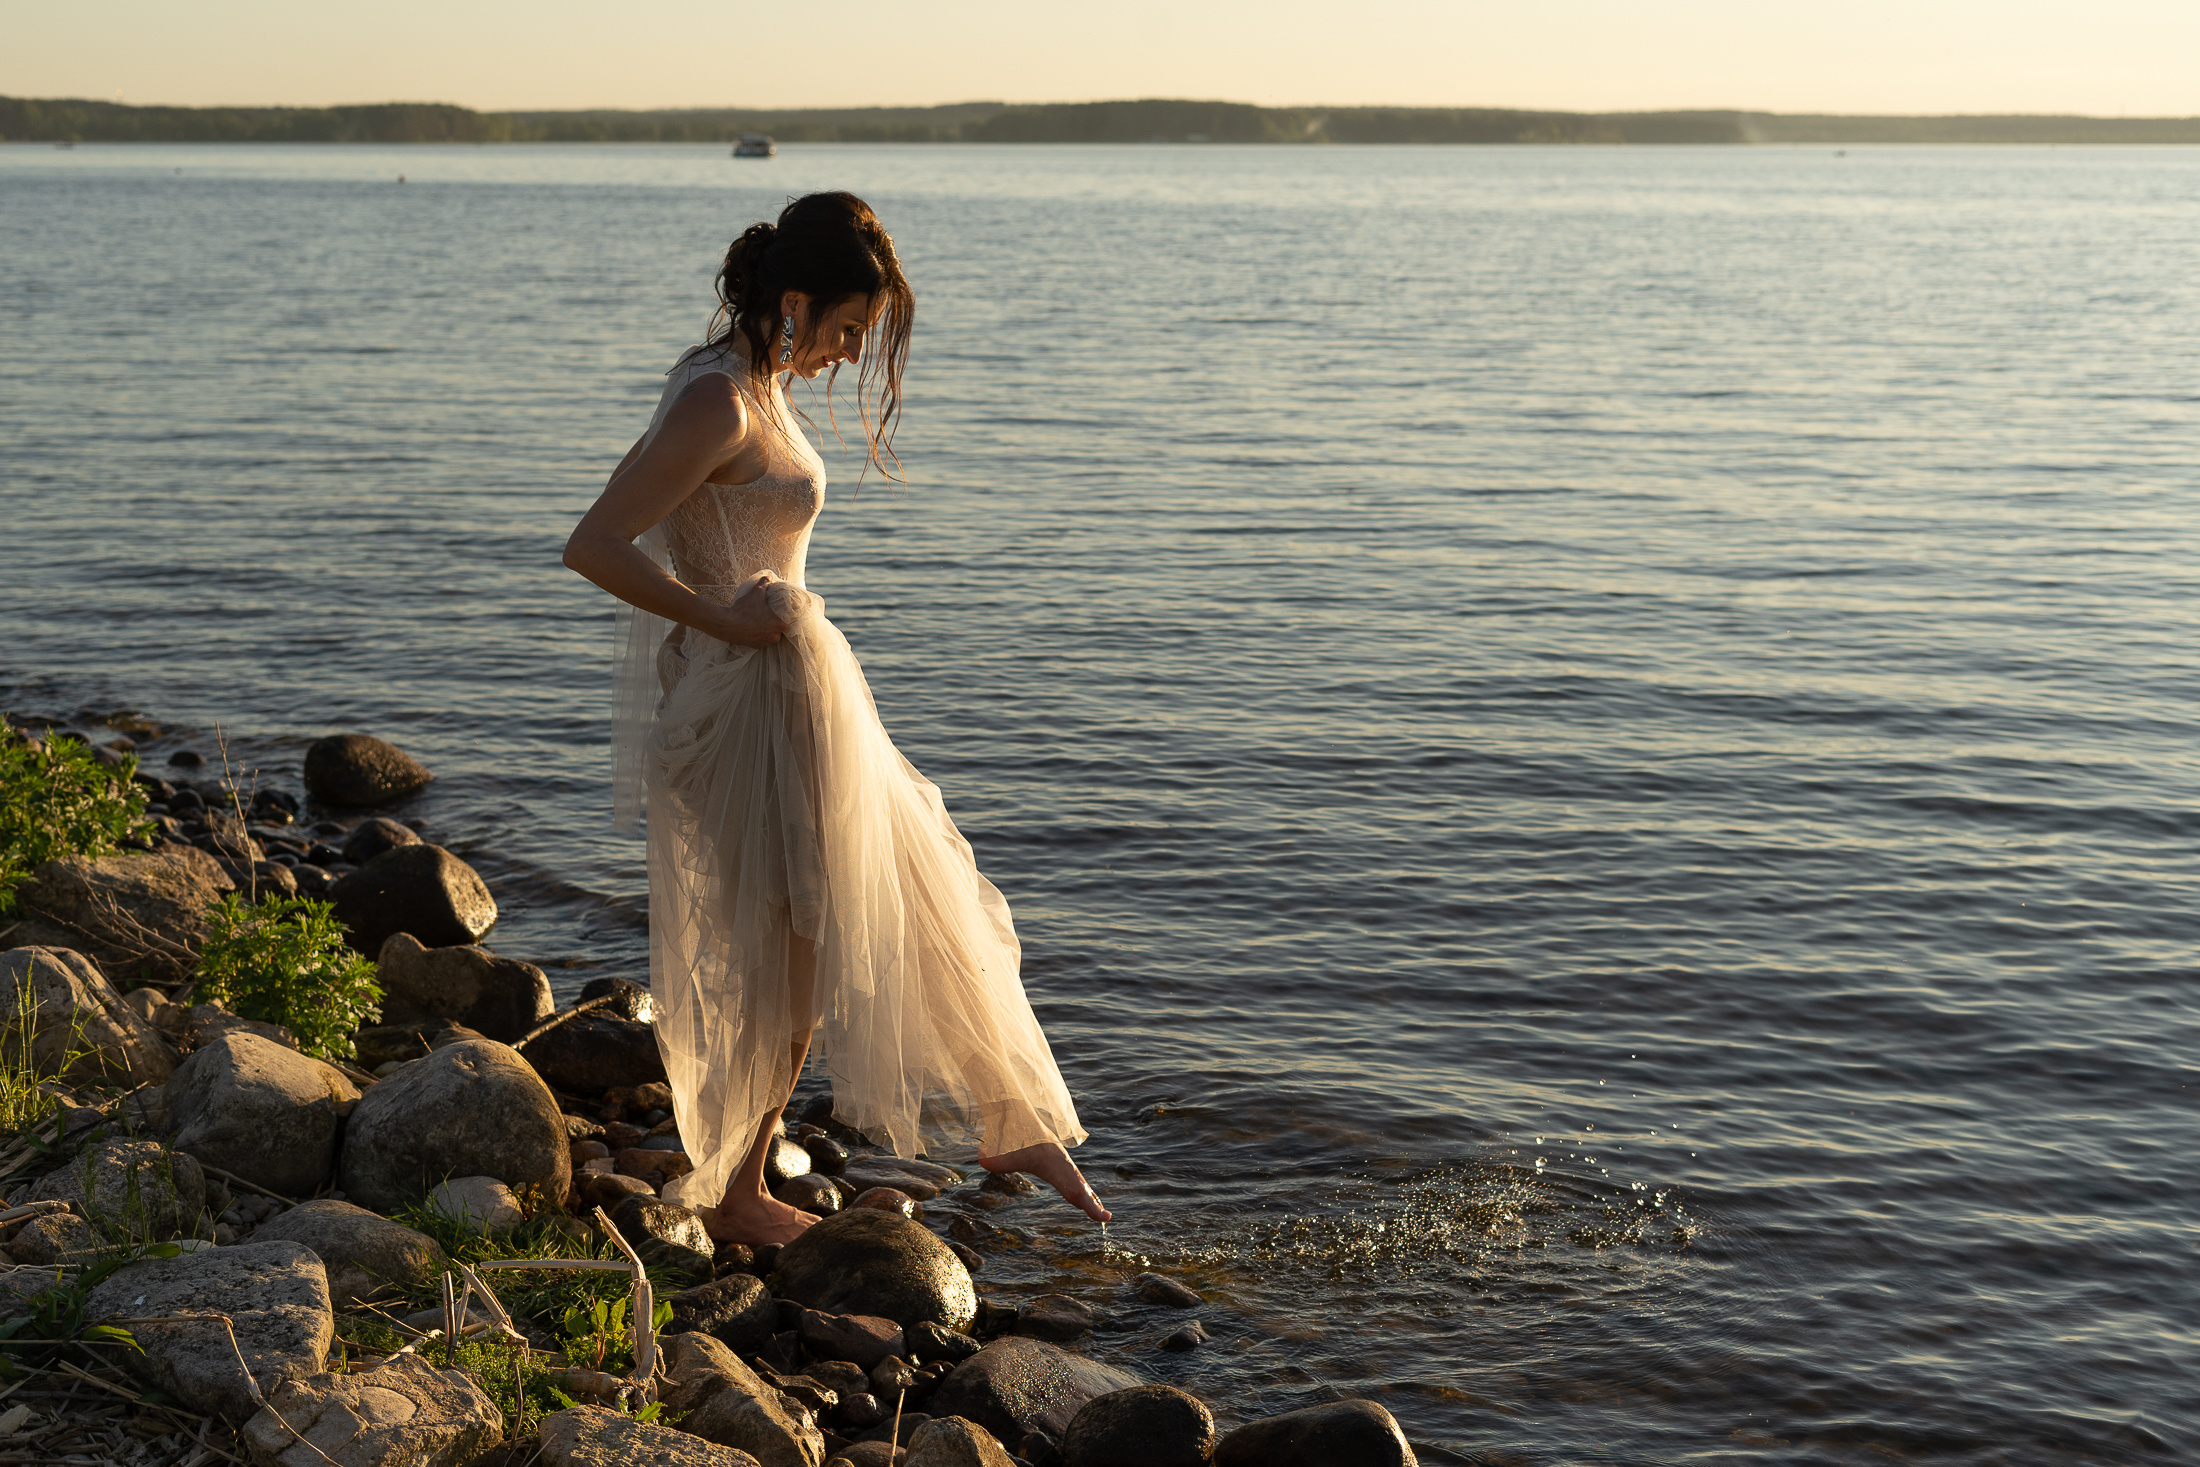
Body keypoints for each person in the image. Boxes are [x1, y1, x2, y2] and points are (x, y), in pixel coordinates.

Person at [563, 192, 1107, 1246]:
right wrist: (714, 608)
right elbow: (594, 543)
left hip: (790, 692)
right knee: (789, 946)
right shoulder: (717, 403)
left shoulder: (747, 388)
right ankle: (739, 1191)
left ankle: (997, 1116)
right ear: (795, 301)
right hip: (747, 701)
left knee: (892, 891)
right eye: (849, 331)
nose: (852, 358)